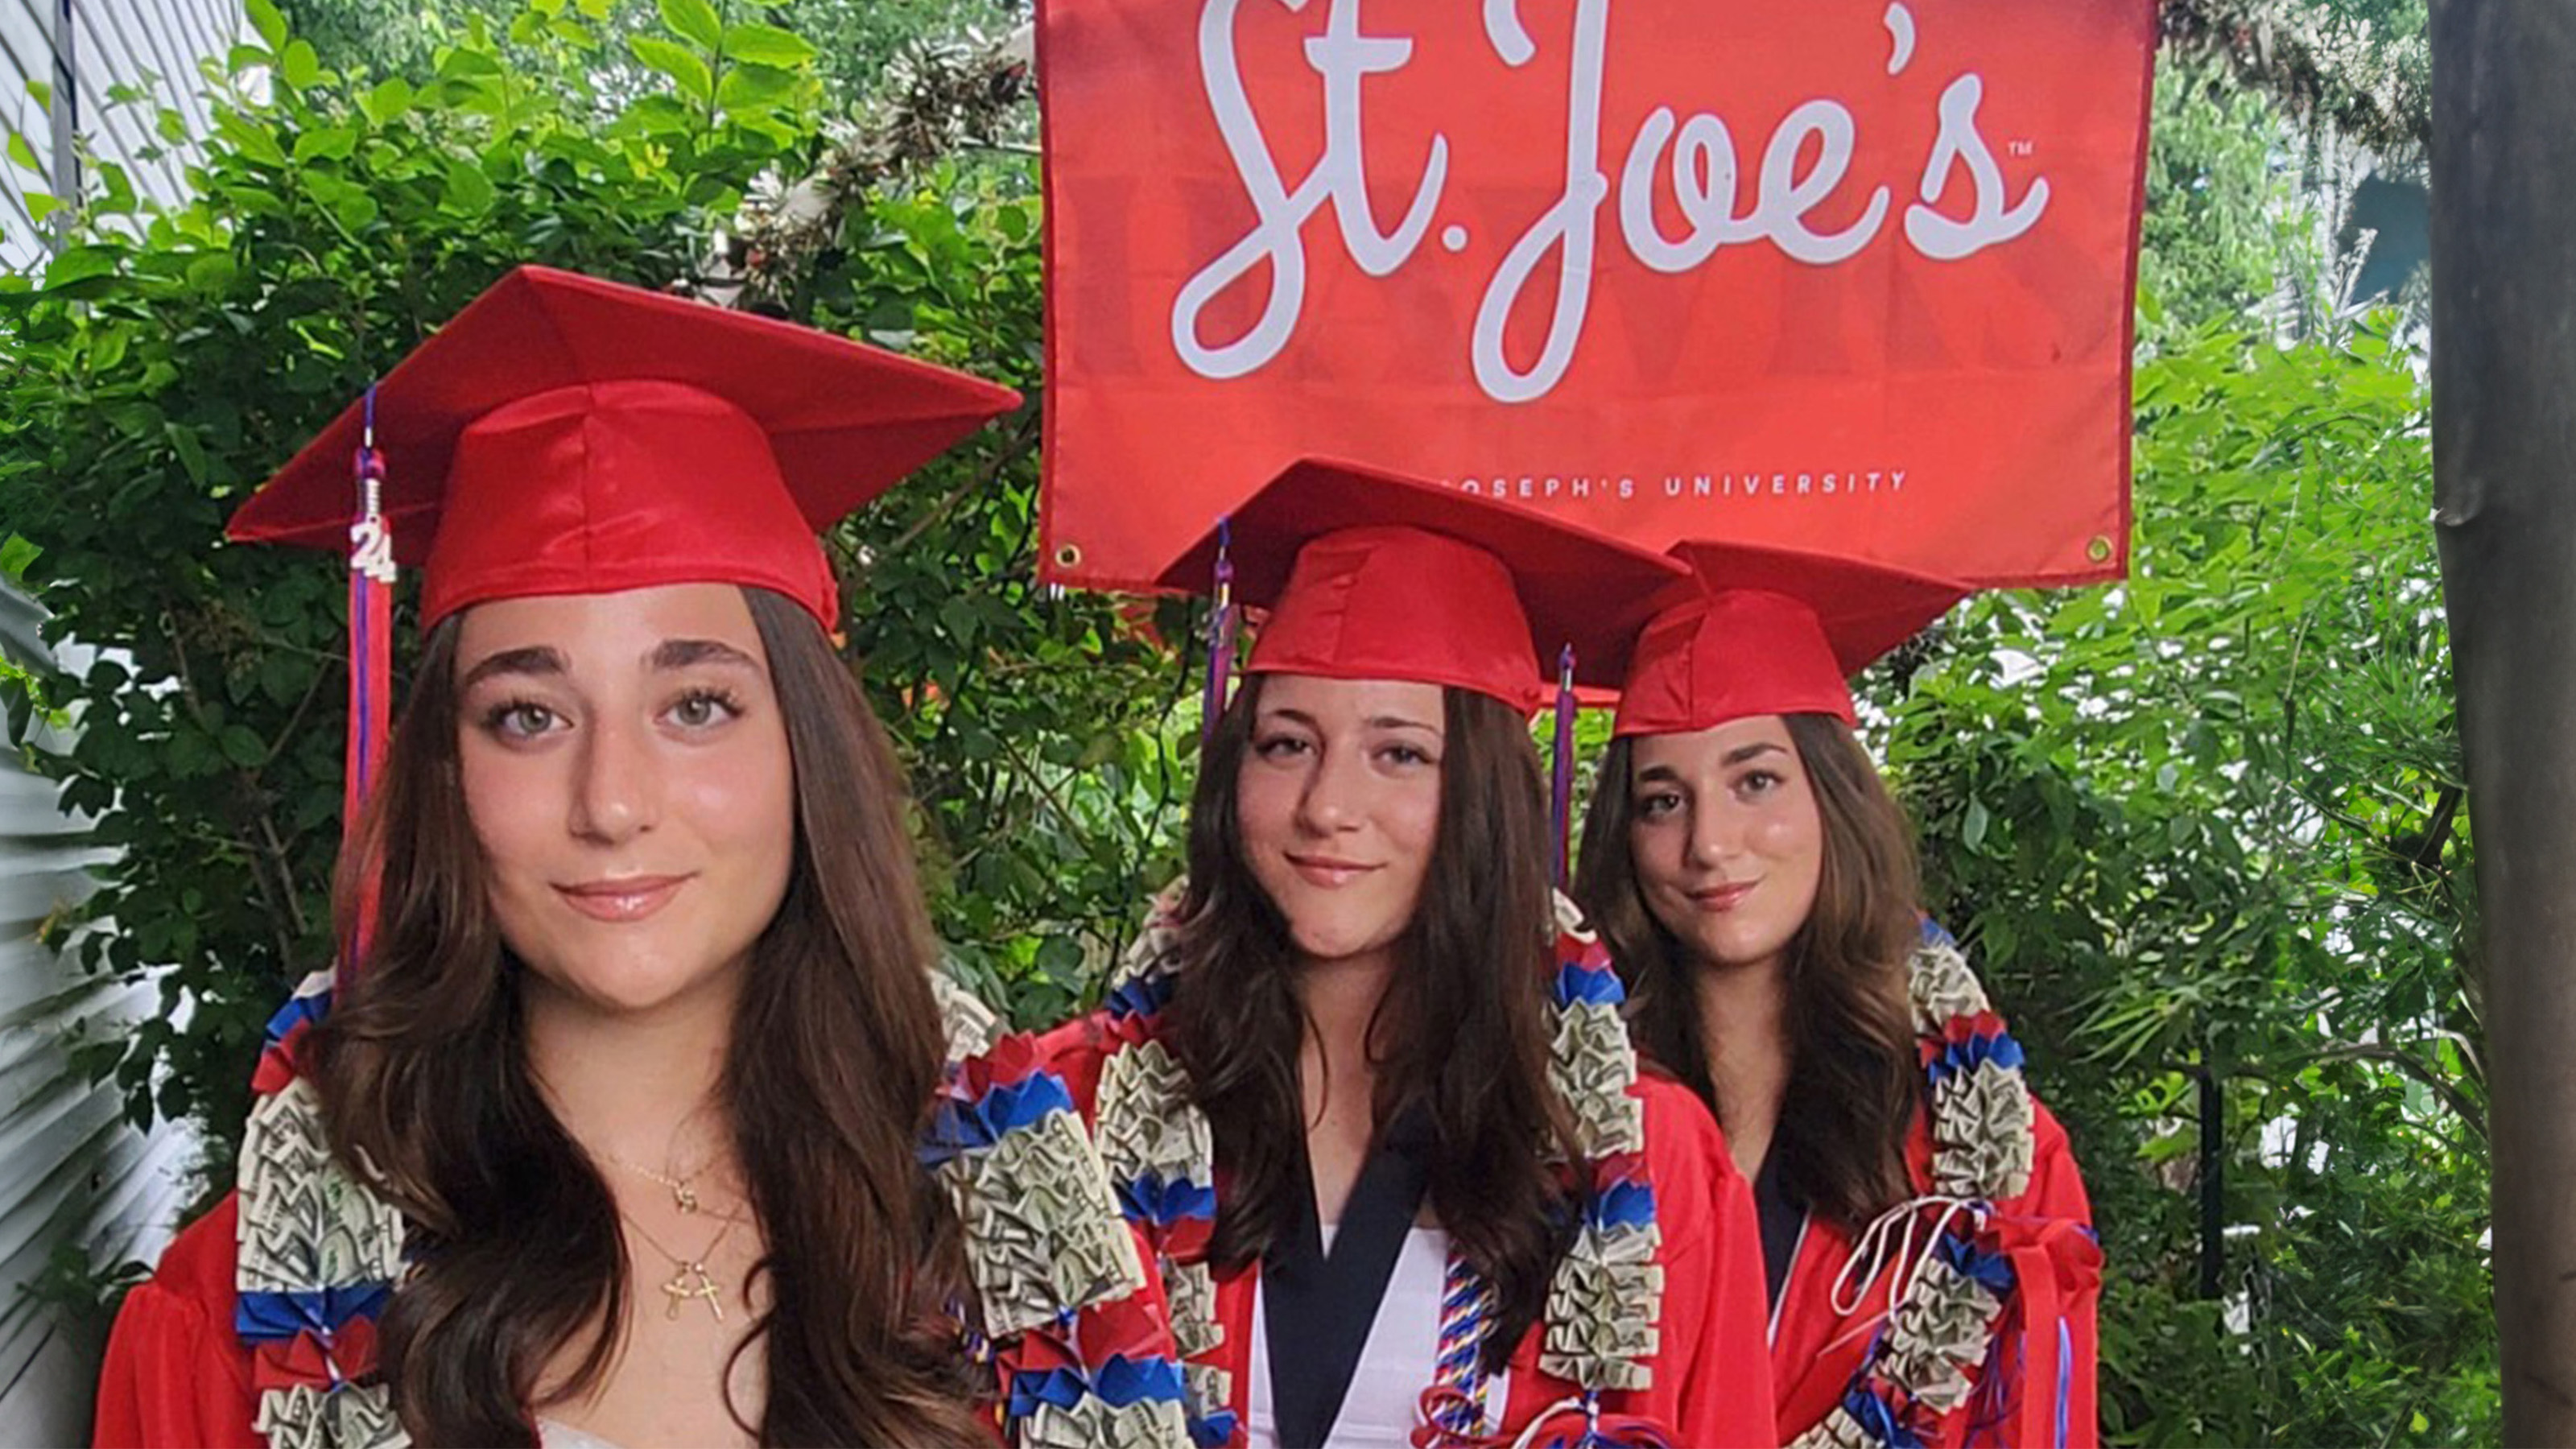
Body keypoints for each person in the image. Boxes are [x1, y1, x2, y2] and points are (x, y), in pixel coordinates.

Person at [92, 266, 1184, 1449]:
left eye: (697, 705)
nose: (610, 803)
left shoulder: (1005, 1233)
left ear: (803, 747)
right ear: (447, 777)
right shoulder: (259, 1311)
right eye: (527, 716)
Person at [1038, 459, 1779, 1449]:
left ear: (1481, 798)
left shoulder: (1642, 1161)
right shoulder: (1073, 1115)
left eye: (1399, 754)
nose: (1327, 807)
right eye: (1285, 744)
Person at [1573, 543, 2102, 1448]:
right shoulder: (1559, 1112)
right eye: (1662, 801)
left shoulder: (1984, 1160)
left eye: (1756, 781)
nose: (1709, 843)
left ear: (1832, 800)